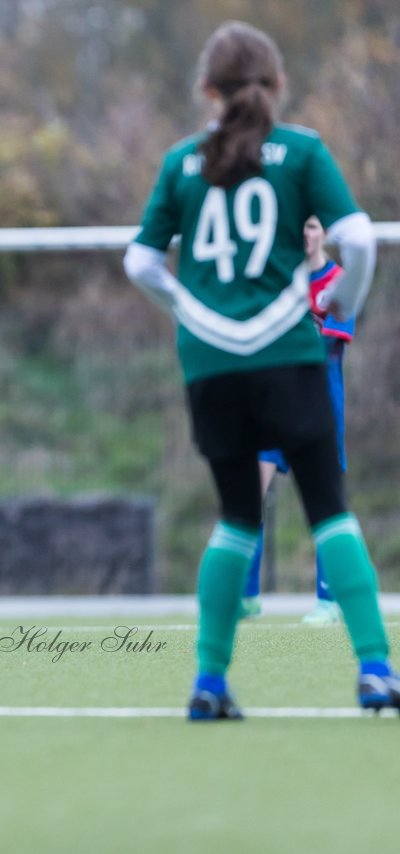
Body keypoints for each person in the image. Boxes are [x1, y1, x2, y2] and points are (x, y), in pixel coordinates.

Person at [123, 21, 393, 720]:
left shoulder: (182, 161)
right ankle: (375, 673)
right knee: (330, 512)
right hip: (288, 353)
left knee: (237, 517)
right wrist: (340, 301)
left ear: (206, 91)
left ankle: (208, 685)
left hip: (210, 365)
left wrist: (188, 311)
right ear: (277, 86)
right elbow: (358, 238)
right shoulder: (300, 151)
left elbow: (141, 261)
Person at [240, 215, 353, 625]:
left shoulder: (339, 279)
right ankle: (246, 594)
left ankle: (329, 599)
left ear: (324, 232)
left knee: (324, 501)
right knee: (249, 493)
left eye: (311, 226)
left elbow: (328, 349)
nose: (305, 234)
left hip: (319, 408)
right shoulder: (277, 281)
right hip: (273, 406)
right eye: (299, 226)